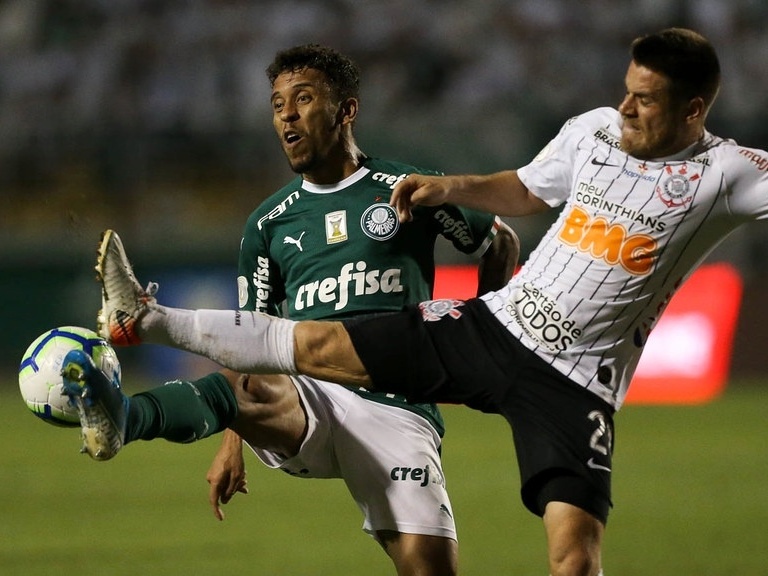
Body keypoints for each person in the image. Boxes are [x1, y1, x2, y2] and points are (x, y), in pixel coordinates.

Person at [60, 28, 763, 576]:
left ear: (694, 109)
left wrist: (464, 221)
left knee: (570, 556)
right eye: (626, 89)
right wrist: (451, 187)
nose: (626, 107)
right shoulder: (593, 130)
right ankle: (143, 322)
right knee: (306, 345)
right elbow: (524, 189)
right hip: (482, 334)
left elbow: (500, 238)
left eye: (645, 99)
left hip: (569, 385)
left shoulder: (729, 172)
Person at [66, 44, 519, 576]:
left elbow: (500, 243)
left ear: (346, 110)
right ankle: (124, 417)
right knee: (252, 379)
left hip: (397, 405)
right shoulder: (268, 225)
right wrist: (231, 444)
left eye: (303, 99)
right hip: (309, 396)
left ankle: (147, 322)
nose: (287, 113)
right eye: (278, 103)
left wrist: (479, 334)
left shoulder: (405, 189)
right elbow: (247, 343)